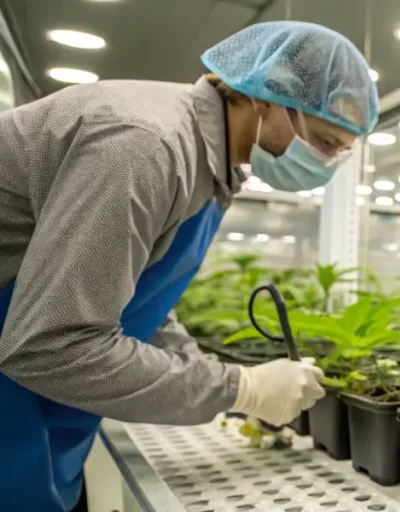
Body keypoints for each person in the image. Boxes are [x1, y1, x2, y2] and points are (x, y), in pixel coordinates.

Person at [0, 21, 378, 511]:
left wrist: (211, 373)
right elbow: (52, 345)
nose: (323, 164)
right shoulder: (146, 145)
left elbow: (137, 297)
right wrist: (239, 389)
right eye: (324, 143)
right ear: (267, 95)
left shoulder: (210, 164)